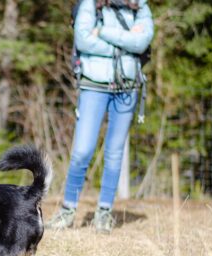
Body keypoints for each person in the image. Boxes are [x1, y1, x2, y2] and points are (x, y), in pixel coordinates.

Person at [46, 0, 154, 233]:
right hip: (94, 85)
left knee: (115, 152)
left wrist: (103, 32)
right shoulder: (90, 3)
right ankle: (67, 211)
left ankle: (104, 213)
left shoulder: (140, 5)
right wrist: (125, 45)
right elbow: (83, 39)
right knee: (82, 151)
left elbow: (143, 41)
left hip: (128, 87)